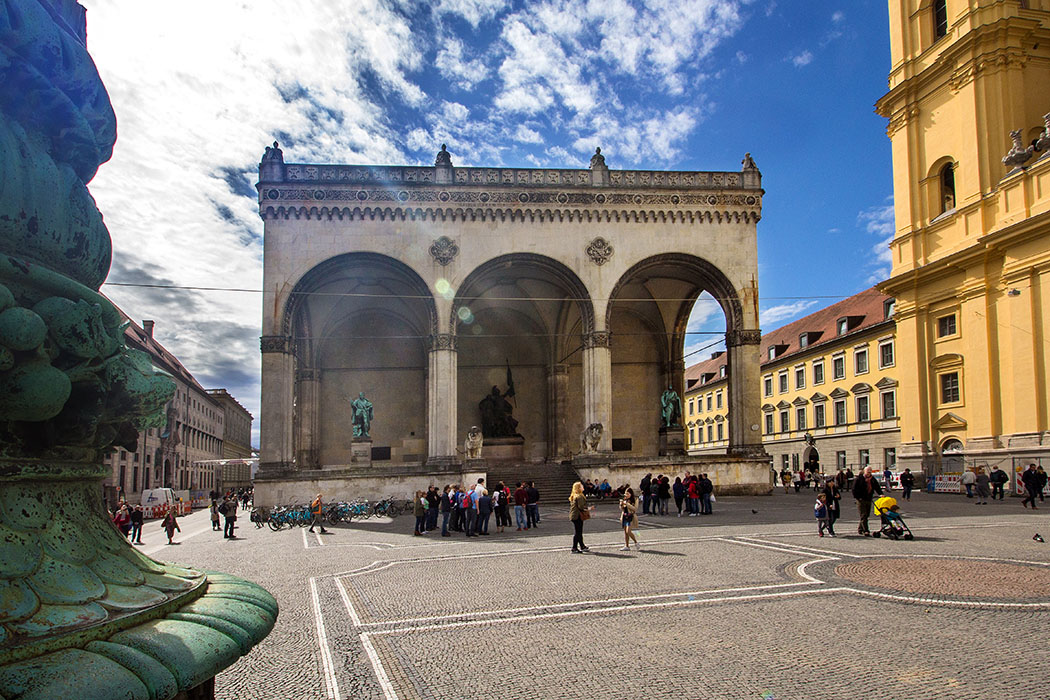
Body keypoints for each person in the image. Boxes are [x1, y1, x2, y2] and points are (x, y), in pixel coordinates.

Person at [852, 466, 883, 536]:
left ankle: (860, 529)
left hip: (869, 498)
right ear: (864, 471)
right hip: (861, 499)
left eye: (870, 471)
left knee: (866, 515)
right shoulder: (859, 479)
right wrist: (857, 497)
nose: (869, 472)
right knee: (863, 515)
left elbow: (877, 487)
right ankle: (866, 530)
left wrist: (881, 494)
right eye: (868, 471)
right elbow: (854, 489)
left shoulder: (872, 479)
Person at [568, 481, 592, 553]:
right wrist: (588, 509)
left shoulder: (574, 495)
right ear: (578, 488)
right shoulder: (580, 496)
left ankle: (582, 546)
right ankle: (574, 547)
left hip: (574, 515)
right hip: (577, 516)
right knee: (578, 532)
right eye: (581, 486)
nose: (583, 487)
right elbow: (581, 507)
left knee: (578, 531)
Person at [620, 487, 640, 551]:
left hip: (631, 517)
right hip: (624, 516)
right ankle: (627, 545)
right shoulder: (624, 499)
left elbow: (635, 509)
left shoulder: (635, 499)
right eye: (625, 494)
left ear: (631, 494)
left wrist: (627, 504)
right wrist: (621, 505)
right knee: (625, 532)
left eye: (628, 494)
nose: (626, 495)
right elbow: (622, 509)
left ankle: (636, 542)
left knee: (628, 531)